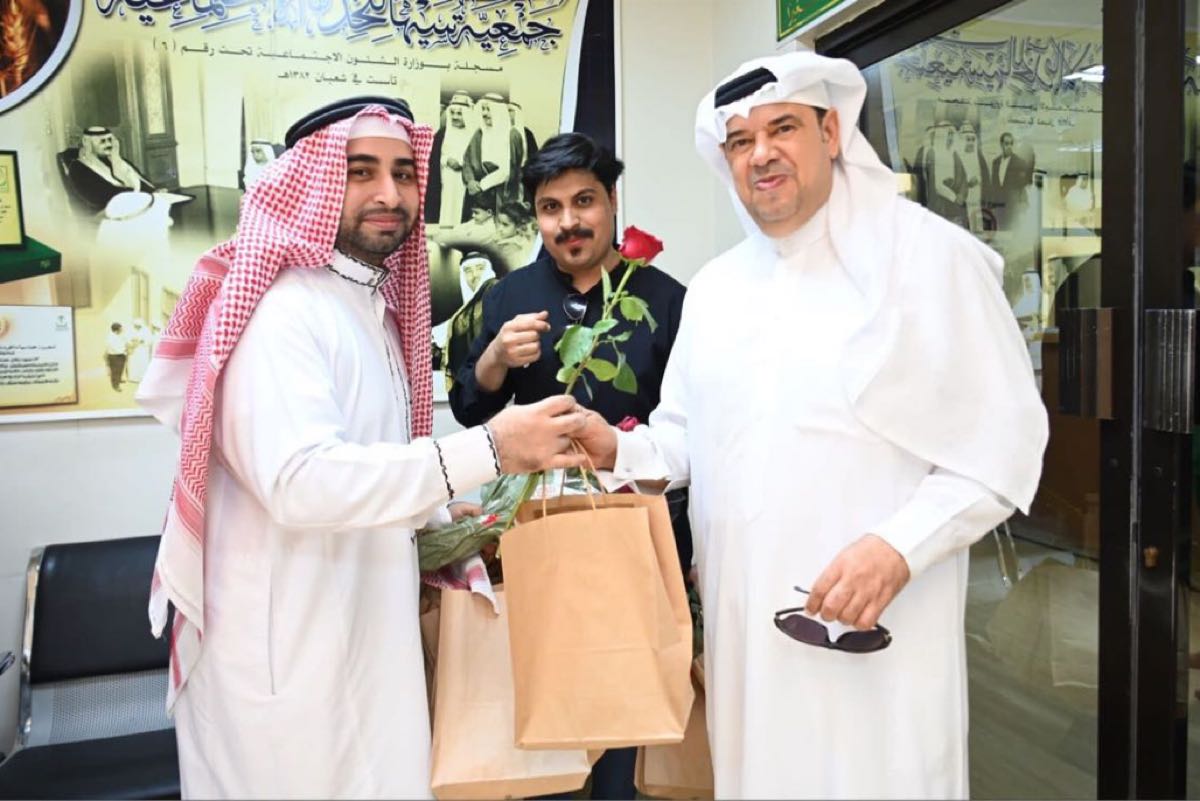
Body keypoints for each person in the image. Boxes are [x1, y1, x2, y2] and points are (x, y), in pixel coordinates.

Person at [572, 52, 1048, 799]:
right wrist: (618, 449)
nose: (761, 153)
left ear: (830, 133)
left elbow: (1003, 447)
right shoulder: (717, 290)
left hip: (881, 641)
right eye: (740, 140)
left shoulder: (931, 260)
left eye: (782, 128)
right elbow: (684, 436)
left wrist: (899, 547)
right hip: (747, 645)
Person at [135, 96, 590, 799]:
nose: (390, 193)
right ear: (311, 183)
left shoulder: (367, 308)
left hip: (365, 644)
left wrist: (439, 517)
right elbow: (301, 481)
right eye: (360, 171)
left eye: (404, 173)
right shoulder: (281, 312)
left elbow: (364, 454)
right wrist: (492, 448)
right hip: (289, 671)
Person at [449, 132, 689, 801]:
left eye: (584, 201)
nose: (568, 222)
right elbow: (469, 410)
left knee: (624, 721)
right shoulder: (507, 297)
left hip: (639, 538)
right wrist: (495, 358)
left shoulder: (668, 301)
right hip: (538, 535)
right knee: (543, 716)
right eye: (550, 208)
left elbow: (692, 433)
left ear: (612, 200)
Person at [67, 126, 156, 214]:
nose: (108, 145)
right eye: (102, 141)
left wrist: (153, 192)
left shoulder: (118, 160)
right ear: (89, 144)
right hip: (110, 213)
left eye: (110, 140)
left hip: (138, 203)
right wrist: (138, 194)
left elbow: (141, 181)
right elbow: (99, 198)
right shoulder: (78, 167)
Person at [462, 92, 524, 216]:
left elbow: (509, 170)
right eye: (483, 109)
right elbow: (467, 160)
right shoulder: (479, 133)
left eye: (488, 109)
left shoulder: (512, 135)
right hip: (478, 196)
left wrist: (482, 185)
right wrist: (470, 181)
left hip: (503, 194)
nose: (485, 113)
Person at [425, 92, 478, 226]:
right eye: (452, 113)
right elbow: (434, 157)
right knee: (445, 210)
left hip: (464, 181)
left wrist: (461, 163)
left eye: (459, 114)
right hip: (445, 179)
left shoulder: (475, 134)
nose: (455, 117)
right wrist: (446, 160)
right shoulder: (442, 133)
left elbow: (477, 158)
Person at [990, 131, 1034, 230]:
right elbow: (994, 185)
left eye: (1011, 143)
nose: (1009, 146)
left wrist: (1022, 205)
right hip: (999, 209)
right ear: (1001, 144)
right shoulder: (995, 162)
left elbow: (1023, 187)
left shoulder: (1019, 162)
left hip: (1013, 209)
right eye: (1006, 144)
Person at [104, 321, 127, 391]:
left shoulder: (118, 335)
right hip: (115, 356)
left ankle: (118, 379)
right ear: (117, 330)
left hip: (120, 355)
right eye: (121, 329)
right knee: (115, 371)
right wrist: (125, 350)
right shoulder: (110, 337)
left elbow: (122, 343)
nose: (122, 330)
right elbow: (115, 348)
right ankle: (115, 385)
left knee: (120, 369)